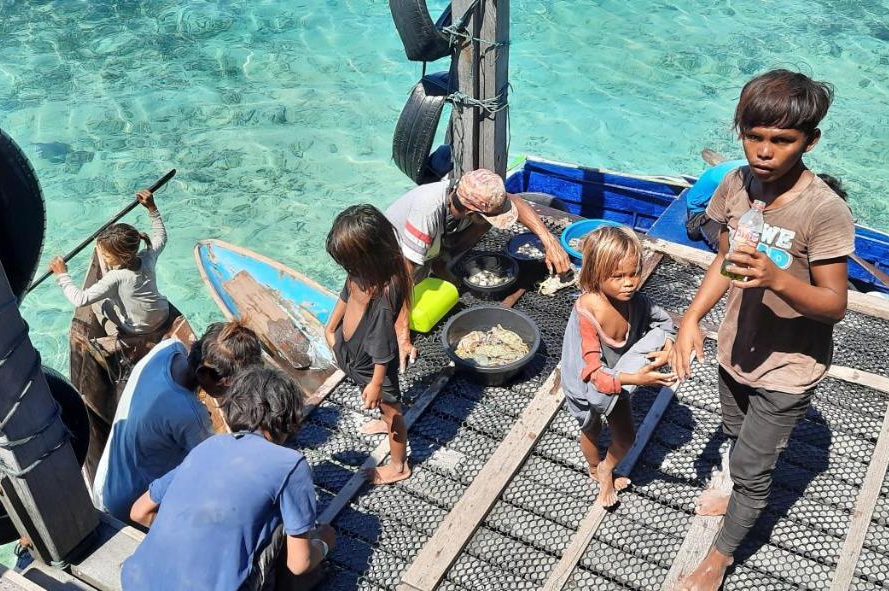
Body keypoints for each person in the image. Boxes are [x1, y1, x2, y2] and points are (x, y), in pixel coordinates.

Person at [672, 70, 855, 590]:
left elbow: (834, 304)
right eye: (755, 137)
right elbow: (725, 259)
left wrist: (777, 277)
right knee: (735, 432)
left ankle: (718, 560)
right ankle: (735, 495)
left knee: (752, 471)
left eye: (782, 140)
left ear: (809, 140)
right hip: (736, 349)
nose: (765, 152)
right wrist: (691, 318)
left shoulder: (824, 210)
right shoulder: (735, 184)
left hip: (787, 367)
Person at [123, 367, 335, 591]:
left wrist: (192, 541)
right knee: (287, 523)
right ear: (288, 417)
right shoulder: (290, 464)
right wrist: (323, 543)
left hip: (135, 582)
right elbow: (298, 564)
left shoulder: (207, 446)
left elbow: (139, 511)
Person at [384, 168, 573, 368]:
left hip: (431, 248)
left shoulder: (466, 192)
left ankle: (442, 259)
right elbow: (403, 276)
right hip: (391, 265)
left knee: (487, 220)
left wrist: (549, 242)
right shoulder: (427, 213)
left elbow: (515, 201)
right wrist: (403, 336)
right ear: (472, 212)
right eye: (484, 215)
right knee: (389, 307)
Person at [92, 321, 263, 523]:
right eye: (232, 386)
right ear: (204, 375)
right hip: (127, 507)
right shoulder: (190, 415)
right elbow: (214, 469)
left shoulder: (169, 348)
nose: (234, 392)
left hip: (104, 485)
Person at [559, 226, 677, 508]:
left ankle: (606, 468)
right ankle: (593, 467)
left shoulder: (637, 301)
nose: (629, 283)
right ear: (596, 275)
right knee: (592, 428)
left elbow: (664, 323)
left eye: (634, 274)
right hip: (586, 385)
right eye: (618, 277)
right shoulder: (588, 312)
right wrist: (636, 378)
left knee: (626, 437)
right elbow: (593, 373)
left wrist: (669, 345)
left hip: (619, 377)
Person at [323, 204, 414, 485]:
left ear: (371, 256)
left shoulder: (385, 289)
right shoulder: (361, 272)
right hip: (356, 354)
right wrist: (330, 327)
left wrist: (376, 383)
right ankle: (383, 419)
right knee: (383, 407)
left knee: (393, 413)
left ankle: (399, 465)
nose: (350, 271)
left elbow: (383, 345)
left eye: (352, 265)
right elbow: (346, 292)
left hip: (374, 365)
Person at [50, 188, 172, 342]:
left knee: (96, 305)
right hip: (163, 313)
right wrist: (152, 208)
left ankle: (117, 335)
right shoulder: (148, 255)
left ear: (123, 256)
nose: (104, 258)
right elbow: (161, 236)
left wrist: (62, 275)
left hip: (139, 329)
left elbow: (80, 299)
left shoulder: (115, 277)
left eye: (106, 255)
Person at [684, 150, 749, 249]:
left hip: (721, 186)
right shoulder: (738, 181)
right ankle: (695, 224)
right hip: (701, 210)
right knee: (734, 249)